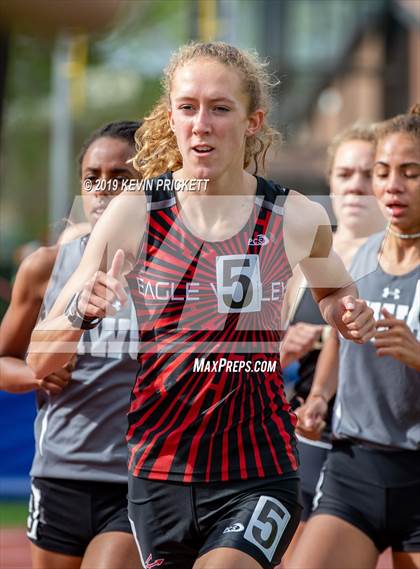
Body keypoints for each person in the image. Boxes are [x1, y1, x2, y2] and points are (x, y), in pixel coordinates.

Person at [27, 42, 375, 569]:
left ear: (252, 121)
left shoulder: (293, 216)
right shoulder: (136, 212)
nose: (201, 124)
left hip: (259, 468)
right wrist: (80, 311)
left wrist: (348, 314)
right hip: (158, 471)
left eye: (220, 108)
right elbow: (40, 361)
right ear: (171, 116)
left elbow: (335, 294)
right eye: (187, 107)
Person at [0, 121, 141, 569]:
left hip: (139, 479)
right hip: (59, 472)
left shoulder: (175, 270)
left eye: (120, 178)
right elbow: (3, 360)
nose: (103, 189)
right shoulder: (46, 267)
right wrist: (35, 373)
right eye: (92, 177)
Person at [288, 106, 420, 569]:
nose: (391, 186)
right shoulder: (364, 252)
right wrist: (321, 396)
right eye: (383, 172)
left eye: (411, 173)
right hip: (356, 463)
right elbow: (342, 334)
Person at [280, 124, 385, 561]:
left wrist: (329, 332)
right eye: (344, 175)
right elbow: (265, 346)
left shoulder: (397, 258)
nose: (356, 186)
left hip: (378, 442)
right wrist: (284, 346)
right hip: (309, 432)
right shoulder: (306, 256)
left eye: (367, 174)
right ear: (330, 180)